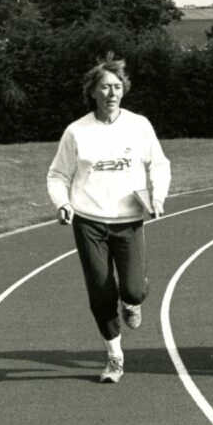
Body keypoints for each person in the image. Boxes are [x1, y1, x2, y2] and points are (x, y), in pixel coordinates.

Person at [47, 52, 171, 383]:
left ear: (124, 90)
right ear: (93, 92)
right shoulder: (77, 132)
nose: (112, 93)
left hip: (128, 219)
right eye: (105, 87)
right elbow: (58, 175)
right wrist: (62, 203)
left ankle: (133, 301)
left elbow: (159, 164)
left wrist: (157, 196)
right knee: (101, 293)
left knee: (131, 290)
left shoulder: (139, 125)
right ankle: (114, 357)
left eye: (117, 86)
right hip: (88, 220)